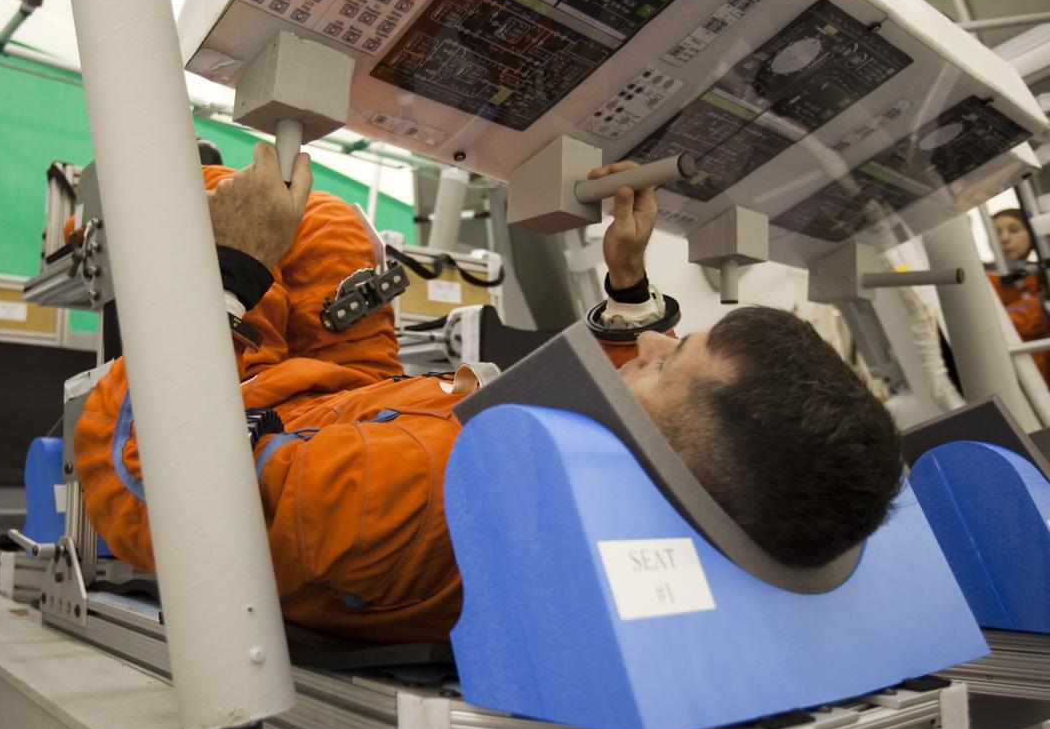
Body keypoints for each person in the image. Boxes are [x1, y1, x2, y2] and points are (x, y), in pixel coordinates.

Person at [74, 143, 902, 643]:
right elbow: (653, 415)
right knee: (329, 225)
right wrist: (623, 280)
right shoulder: (657, 492)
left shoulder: (419, 494)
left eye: (665, 358)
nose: (649, 342)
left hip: (200, 440)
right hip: (361, 406)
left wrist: (225, 278)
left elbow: (161, 497)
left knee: (217, 214)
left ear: (680, 462)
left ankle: (156, 212)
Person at [989, 208, 1050, 384]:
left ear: (1032, 234)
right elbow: (994, 326)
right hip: (1020, 382)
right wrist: (1040, 306)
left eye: (1014, 230)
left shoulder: (1040, 275)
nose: (1004, 239)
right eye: (996, 232)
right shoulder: (984, 282)